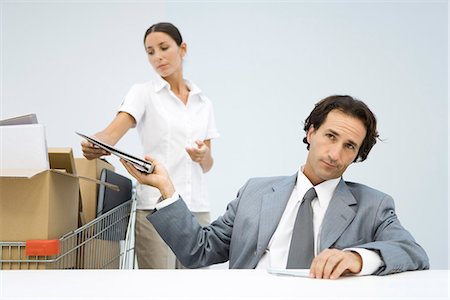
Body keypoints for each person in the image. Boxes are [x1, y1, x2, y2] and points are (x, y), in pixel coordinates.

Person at [121, 95, 429, 278]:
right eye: (330, 136)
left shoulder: (373, 206)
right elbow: (197, 251)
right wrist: (166, 189)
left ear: (357, 155)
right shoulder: (255, 193)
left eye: (349, 146)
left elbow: (411, 251)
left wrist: (357, 258)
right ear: (311, 132)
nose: (335, 154)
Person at [81, 22, 219, 269]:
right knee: (157, 288)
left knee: (198, 288)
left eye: (164, 47)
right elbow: (112, 132)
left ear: (182, 49)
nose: (157, 57)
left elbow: (208, 164)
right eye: (150, 51)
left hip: (196, 208)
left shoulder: (203, 102)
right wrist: (97, 143)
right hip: (156, 208)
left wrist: (202, 155)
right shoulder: (143, 93)